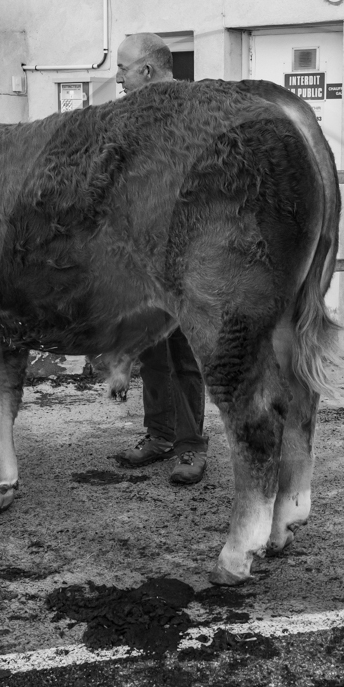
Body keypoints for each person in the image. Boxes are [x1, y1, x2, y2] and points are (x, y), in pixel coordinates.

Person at [109, 33, 209, 485]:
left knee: (185, 353)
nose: (118, 78)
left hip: (184, 253)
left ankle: (190, 447)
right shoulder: (132, 117)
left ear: (146, 71)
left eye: (123, 69)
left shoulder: (193, 109)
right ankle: (160, 435)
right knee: (153, 349)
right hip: (143, 254)